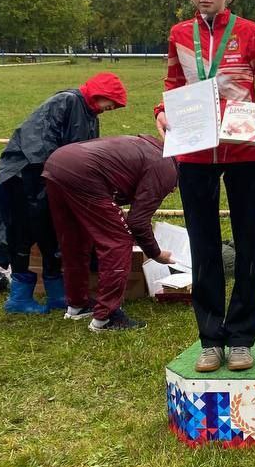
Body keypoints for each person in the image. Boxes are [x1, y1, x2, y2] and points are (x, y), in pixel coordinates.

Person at [156, 0, 255, 373]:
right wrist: (161, 111)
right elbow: (173, 84)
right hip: (194, 151)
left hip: (242, 148)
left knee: (248, 243)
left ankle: (242, 338)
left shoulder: (248, 32)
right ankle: (210, 339)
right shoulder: (178, 33)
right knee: (203, 244)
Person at [0, 73, 127, 315]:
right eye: (111, 103)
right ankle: (19, 298)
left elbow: (87, 155)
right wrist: (59, 177)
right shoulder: (65, 102)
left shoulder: (90, 116)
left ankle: (57, 294)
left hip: (53, 182)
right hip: (25, 178)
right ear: (100, 94)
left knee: (53, 237)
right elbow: (38, 143)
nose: (111, 109)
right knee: (22, 236)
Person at [43, 135, 179, 332]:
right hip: (84, 171)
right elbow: (137, 221)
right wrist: (156, 253)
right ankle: (106, 317)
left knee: (75, 238)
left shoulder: (154, 149)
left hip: (58, 163)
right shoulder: (167, 168)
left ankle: (77, 304)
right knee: (118, 240)